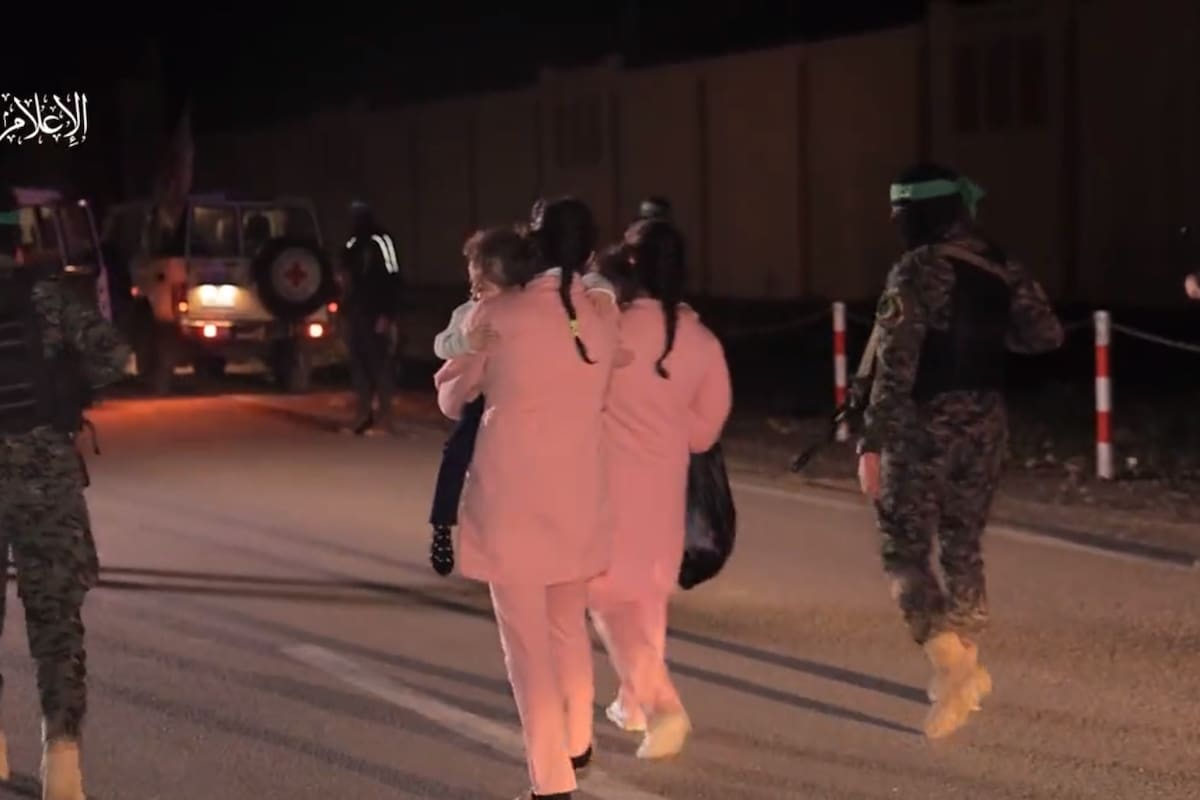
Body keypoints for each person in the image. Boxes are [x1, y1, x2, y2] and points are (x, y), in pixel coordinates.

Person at [855, 163, 1064, 740]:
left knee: (902, 548)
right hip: (987, 423)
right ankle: (966, 659)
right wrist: (989, 340)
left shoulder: (916, 269)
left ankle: (953, 666)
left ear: (918, 214)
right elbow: (1046, 334)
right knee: (963, 544)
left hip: (924, 428)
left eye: (900, 215)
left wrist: (871, 442)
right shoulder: (1001, 262)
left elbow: (895, 368)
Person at [434, 197, 618, 800]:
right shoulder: (598, 315)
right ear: (589, 251)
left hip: (512, 497)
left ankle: (551, 781)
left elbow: (453, 397)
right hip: (579, 494)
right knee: (568, 625)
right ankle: (577, 739)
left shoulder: (498, 313)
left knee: (526, 648)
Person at [0, 189, 131, 800]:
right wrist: (67, 393)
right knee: (54, 617)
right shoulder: (48, 297)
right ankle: (62, 762)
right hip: (43, 473)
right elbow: (115, 356)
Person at [587, 219, 732, 759]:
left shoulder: (610, 332)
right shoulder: (700, 340)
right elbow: (705, 431)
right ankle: (632, 702)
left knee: (606, 598)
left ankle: (663, 707)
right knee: (647, 599)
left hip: (605, 487)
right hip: (667, 491)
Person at [428, 228, 616, 576]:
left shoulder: (527, 305)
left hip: (520, 407)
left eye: (484, 284)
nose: (476, 291)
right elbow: (442, 344)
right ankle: (442, 524)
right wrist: (465, 342)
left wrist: (604, 290)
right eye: (474, 283)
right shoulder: (471, 312)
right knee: (456, 454)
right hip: (481, 402)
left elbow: (586, 280)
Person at [340, 201, 404, 436]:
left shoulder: (381, 241)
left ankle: (385, 418)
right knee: (359, 365)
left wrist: (388, 314)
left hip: (376, 312)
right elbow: (346, 278)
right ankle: (362, 415)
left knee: (379, 364)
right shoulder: (353, 243)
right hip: (356, 312)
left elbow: (393, 277)